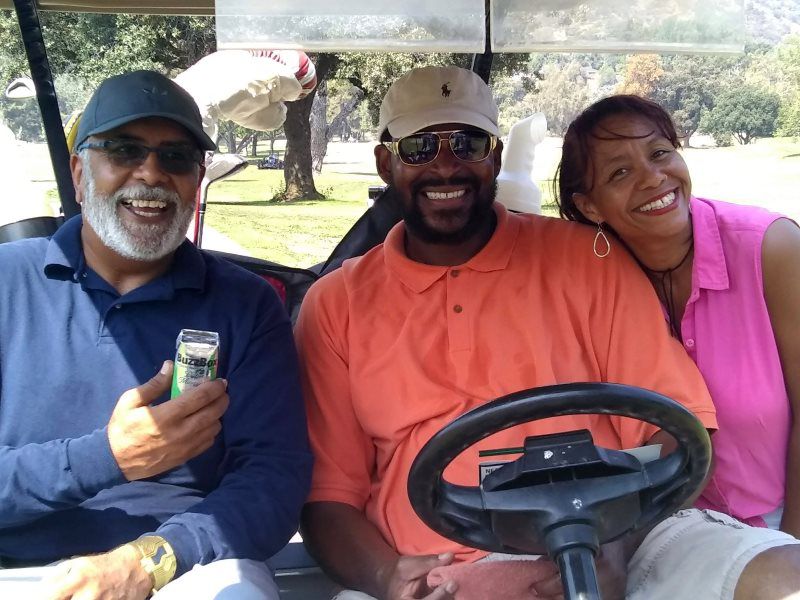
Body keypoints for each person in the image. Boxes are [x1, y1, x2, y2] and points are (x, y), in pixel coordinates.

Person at [294, 65, 800, 600]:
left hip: (622, 535)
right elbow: (328, 497)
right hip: (431, 568)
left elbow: (676, 427)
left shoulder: (589, 259)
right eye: (419, 147)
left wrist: (614, 547)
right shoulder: (335, 304)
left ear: (495, 157)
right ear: (385, 162)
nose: (446, 164)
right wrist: (389, 578)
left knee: (782, 576)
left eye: (468, 143)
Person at [0, 70, 312, 600]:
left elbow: (273, 478)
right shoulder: (8, 282)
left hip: (183, 565)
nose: (151, 173)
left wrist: (150, 561)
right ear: (78, 172)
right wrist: (107, 458)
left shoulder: (247, 304)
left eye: (176, 157)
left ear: (197, 178)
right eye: (124, 150)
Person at [556, 94, 800, 537]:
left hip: (779, 520)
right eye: (620, 172)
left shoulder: (771, 249)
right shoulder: (590, 283)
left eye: (659, 153)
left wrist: (792, 546)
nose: (653, 178)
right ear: (590, 206)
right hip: (664, 529)